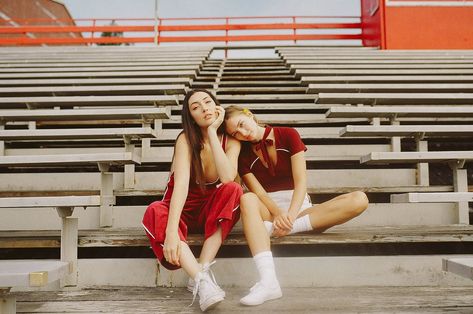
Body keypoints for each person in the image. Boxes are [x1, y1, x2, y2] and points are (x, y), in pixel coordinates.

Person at [224, 105, 369, 306]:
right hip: (269, 210)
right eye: (235, 133)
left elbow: (301, 182)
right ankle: (268, 281)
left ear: (249, 115)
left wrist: (290, 216)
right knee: (247, 199)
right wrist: (277, 214)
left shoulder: (288, 134)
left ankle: (273, 231)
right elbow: (259, 192)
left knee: (359, 199)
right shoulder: (243, 154)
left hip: (300, 208)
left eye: (241, 124)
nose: (242, 132)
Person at [142, 90, 242, 312]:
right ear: (191, 117)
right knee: (154, 210)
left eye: (208, 102)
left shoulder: (231, 141)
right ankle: (202, 281)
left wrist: (214, 132)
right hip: (181, 209)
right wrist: (170, 233)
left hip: (209, 210)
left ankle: (203, 269)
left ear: (217, 106)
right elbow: (180, 187)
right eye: (196, 107)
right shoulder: (185, 139)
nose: (204, 108)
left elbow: (227, 177)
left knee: (233, 189)